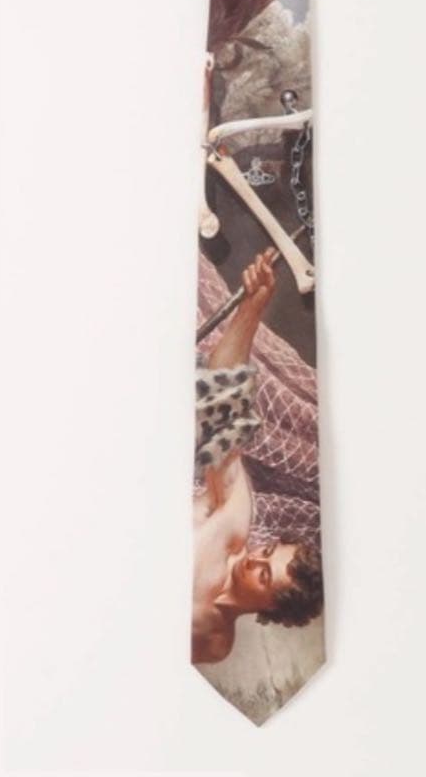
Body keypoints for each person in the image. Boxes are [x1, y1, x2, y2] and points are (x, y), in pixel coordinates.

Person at [192, 248, 323, 664]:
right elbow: (221, 403)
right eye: (266, 554)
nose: (252, 559)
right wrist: (252, 308)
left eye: (264, 576)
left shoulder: (215, 643)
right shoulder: (230, 521)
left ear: (269, 608)